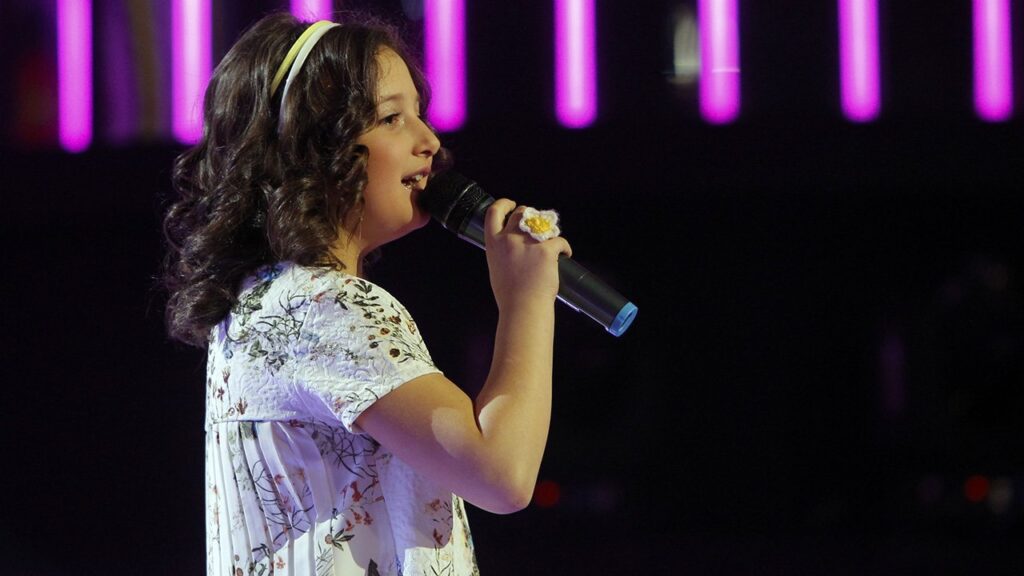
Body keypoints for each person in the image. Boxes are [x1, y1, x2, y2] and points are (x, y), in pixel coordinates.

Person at [161, 11, 571, 576]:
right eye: (391, 118)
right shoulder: (325, 307)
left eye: (420, 114)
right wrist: (527, 299)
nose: (429, 142)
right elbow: (503, 475)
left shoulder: (261, 303)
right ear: (314, 148)